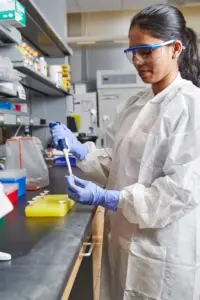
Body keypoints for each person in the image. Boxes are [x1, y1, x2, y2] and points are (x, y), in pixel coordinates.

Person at [50, 4, 200, 300]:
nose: (137, 60)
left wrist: (109, 198)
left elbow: (181, 190)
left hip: (163, 248)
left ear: (175, 49)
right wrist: (81, 152)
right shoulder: (136, 104)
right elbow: (118, 163)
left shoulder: (191, 105)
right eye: (132, 52)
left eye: (146, 51)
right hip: (122, 240)